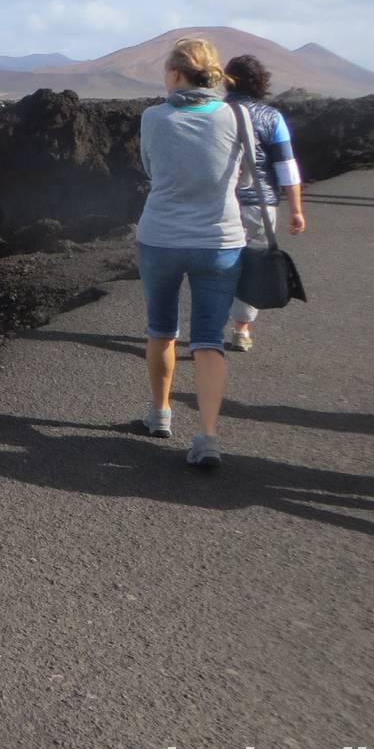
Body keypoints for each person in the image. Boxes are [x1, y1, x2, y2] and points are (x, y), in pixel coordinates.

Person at [136, 37, 247, 468]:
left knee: (161, 329)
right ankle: (208, 437)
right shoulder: (235, 116)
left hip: (161, 238)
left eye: (166, 71)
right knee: (208, 341)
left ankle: (160, 414)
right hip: (220, 242)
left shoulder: (153, 118)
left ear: (177, 74)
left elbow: (151, 167)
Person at [224, 54, 308, 351]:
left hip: (217, 204)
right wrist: (296, 210)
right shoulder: (272, 118)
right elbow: (287, 167)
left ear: (227, 79)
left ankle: (208, 325)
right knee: (253, 265)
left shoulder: (214, 114)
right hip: (260, 205)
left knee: (217, 263)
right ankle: (241, 329)